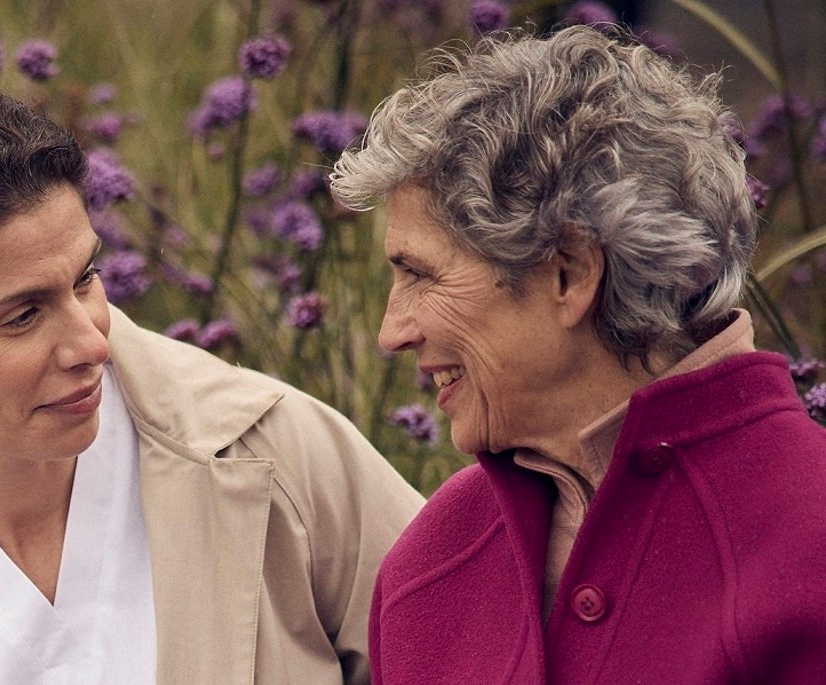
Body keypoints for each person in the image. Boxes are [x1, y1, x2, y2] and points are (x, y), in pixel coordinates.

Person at [0, 78, 423, 684]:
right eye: (22, 315)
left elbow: (471, 643)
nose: (92, 339)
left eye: (85, 277)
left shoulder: (268, 453)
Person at [331, 26, 826, 683]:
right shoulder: (429, 567)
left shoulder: (810, 538)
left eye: (420, 274)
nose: (392, 331)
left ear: (568, 273)